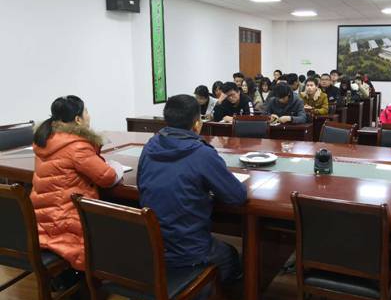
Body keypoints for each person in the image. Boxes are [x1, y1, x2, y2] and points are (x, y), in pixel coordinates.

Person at [138, 94, 246, 283]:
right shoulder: (202, 153)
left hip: (153, 245)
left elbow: (141, 183)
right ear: (197, 124)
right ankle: (205, 293)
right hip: (190, 251)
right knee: (231, 255)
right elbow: (237, 196)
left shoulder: (149, 147)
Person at [31, 95, 124, 271]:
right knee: (118, 225)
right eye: (86, 112)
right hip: (66, 221)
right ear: (78, 119)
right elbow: (107, 178)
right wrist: (117, 168)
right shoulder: (76, 146)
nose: (89, 115)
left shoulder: (46, 138)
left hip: (41, 219)